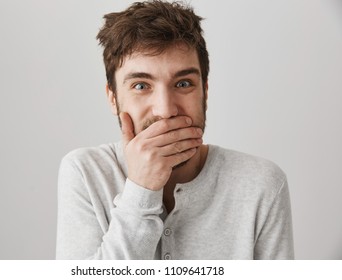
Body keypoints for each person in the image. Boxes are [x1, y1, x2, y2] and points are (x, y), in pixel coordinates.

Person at [56, 0, 294, 260]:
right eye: (140, 86)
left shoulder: (261, 184)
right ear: (112, 98)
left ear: (205, 91)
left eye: (183, 83)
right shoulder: (85, 173)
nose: (166, 110)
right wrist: (141, 190)